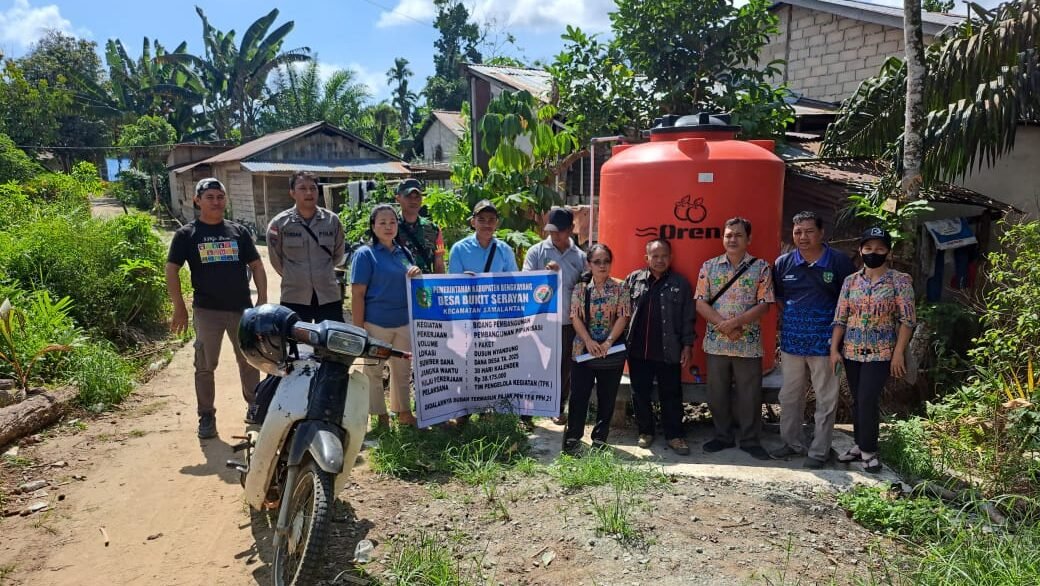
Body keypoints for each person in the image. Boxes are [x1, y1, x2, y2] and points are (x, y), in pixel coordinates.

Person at [165, 178, 268, 439]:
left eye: (220, 196)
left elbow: (257, 265)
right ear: (197, 201)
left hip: (241, 310)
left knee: (249, 361)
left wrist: (262, 301)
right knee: (204, 365)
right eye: (210, 196)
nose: (216, 201)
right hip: (207, 311)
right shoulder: (187, 235)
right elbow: (172, 270)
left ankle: (255, 409)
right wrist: (180, 307)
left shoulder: (238, 232)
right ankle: (206, 416)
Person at [771, 211, 856, 468]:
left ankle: (818, 452)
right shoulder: (783, 263)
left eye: (809, 231)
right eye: (798, 232)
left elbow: (849, 301)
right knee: (789, 396)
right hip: (792, 343)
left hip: (827, 346)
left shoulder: (838, 262)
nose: (803, 237)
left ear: (821, 233)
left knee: (826, 398)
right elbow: (779, 298)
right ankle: (791, 443)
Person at [831, 227, 916, 473]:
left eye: (879, 248)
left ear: (888, 251)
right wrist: (834, 349)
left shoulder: (899, 281)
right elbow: (840, 317)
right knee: (858, 399)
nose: (873, 253)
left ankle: (869, 450)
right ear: (860, 250)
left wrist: (898, 352)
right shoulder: (850, 281)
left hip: (881, 352)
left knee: (868, 398)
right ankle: (859, 444)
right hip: (852, 351)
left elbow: (907, 320)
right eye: (868, 248)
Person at [695, 217, 774, 461]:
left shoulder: (760, 267)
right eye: (728, 235)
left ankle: (750, 439)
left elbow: (765, 305)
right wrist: (724, 326)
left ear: (748, 239)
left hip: (747, 342)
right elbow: (699, 301)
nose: (732, 239)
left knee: (749, 393)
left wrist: (735, 324)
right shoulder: (709, 267)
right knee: (717, 391)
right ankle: (722, 436)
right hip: (717, 342)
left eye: (738, 235)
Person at [350, 204, 422, 427]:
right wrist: (358, 329)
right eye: (382, 222)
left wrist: (417, 273)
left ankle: (403, 413)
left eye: (392, 222)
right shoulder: (365, 254)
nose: (388, 227)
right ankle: (379, 416)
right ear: (373, 226)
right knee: (374, 372)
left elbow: (414, 285)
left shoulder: (403, 253)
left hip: (403, 323)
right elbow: (357, 293)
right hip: (376, 324)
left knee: (402, 372)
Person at [623, 238, 696, 455]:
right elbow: (621, 312)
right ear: (647, 258)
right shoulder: (633, 280)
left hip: (669, 350)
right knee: (640, 394)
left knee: (671, 394)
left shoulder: (680, 284)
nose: (660, 260)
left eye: (664, 256)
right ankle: (645, 431)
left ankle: (675, 435)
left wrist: (688, 345)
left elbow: (687, 318)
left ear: (671, 258)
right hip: (638, 351)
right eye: (655, 256)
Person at [523, 207, 586, 425]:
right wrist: (545, 276)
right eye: (551, 230)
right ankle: (526, 413)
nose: (554, 235)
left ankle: (557, 408)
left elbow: (585, 286)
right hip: (540, 322)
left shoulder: (580, 257)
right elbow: (526, 283)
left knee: (564, 368)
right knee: (534, 366)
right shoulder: (536, 252)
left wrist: (562, 272)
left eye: (559, 231)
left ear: (571, 229)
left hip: (568, 323)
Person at [564, 244, 629, 453]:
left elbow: (623, 316)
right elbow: (574, 316)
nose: (602, 266)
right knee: (578, 396)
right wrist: (589, 341)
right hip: (583, 352)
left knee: (607, 397)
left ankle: (600, 439)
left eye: (606, 261)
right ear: (589, 264)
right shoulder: (580, 289)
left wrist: (608, 342)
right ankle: (573, 438)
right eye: (597, 262)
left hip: (611, 352)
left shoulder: (620, 287)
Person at [267, 171, 345, 323]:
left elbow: (338, 255)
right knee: (298, 344)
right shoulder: (279, 223)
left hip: (328, 295)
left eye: (313, 188)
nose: (309, 192)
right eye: (302, 188)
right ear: (292, 193)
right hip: (295, 296)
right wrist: (295, 276)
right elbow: (276, 260)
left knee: (329, 343)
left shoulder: (332, 221)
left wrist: (321, 273)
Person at [447, 200, 518, 274]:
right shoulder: (459, 250)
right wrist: (464, 279)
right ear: (473, 222)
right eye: (481, 220)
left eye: (491, 220)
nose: (487, 224)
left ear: (497, 223)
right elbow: (454, 282)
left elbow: (514, 282)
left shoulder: (505, 250)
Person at [395, 178, 446, 274]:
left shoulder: (433, 229)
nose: (413, 201)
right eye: (408, 197)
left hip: (424, 287)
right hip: (398, 285)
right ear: (398, 199)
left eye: (417, 197)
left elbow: (439, 264)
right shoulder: (390, 227)